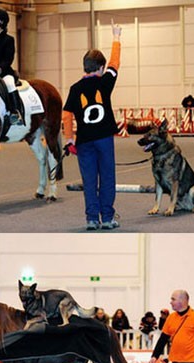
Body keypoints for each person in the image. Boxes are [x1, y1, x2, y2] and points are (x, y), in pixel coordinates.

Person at [62, 21, 122, 231]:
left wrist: (69, 138)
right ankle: (107, 217)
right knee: (107, 177)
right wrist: (116, 38)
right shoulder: (105, 82)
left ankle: (91, 219)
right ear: (100, 68)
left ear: (84, 66)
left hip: (84, 141)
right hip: (104, 138)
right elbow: (115, 64)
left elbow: (67, 113)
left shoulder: (75, 88)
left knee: (89, 181)